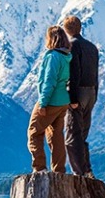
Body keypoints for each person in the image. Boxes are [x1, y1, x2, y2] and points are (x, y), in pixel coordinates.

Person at [27, 26, 72, 173]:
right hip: (63, 101)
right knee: (56, 135)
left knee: (34, 132)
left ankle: (39, 168)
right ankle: (59, 170)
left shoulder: (53, 57)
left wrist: (43, 103)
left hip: (51, 101)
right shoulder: (67, 57)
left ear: (51, 39)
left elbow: (49, 81)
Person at [62, 16, 100, 179]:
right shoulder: (92, 47)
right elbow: (96, 73)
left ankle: (79, 173)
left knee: (71, 135)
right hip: (91, 92)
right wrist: (94, 95)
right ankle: (87, 169)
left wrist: (72, 98)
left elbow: (74, 72)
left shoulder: (72, 45)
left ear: (66, 29)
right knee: (82, 134)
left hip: (78, 92)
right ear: (80, 28)